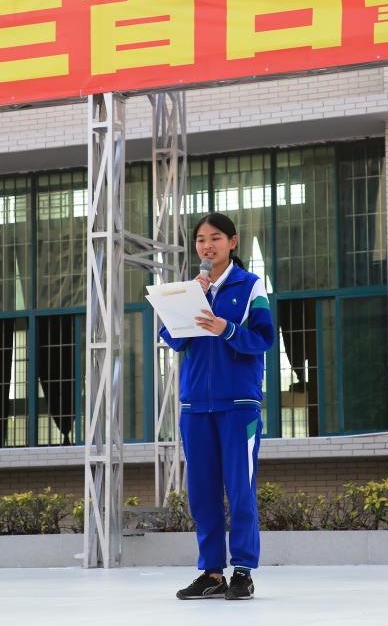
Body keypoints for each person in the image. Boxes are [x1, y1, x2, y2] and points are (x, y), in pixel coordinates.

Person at [159, 212, 274, 600]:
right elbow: (175, 340)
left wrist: (226, 329)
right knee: (202, 493)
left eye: (215, 238)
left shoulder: (250, 286)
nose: (207, 246)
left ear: (232, 242)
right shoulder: (191, 289)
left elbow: (263, 339)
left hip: (239, 405)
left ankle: (242, 572)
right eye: (201, 240)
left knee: (240, 489)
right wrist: (187, 300)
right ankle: (211, 573)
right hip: (195, 406)